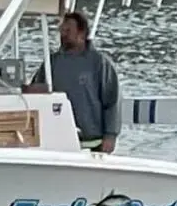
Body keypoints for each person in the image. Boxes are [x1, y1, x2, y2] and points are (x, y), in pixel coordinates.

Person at [24, 11, 121, 153]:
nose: (63, 34)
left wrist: (110, 135)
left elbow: (113, 101)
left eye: (68, 30)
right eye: (61, 30)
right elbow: (38, 92)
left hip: (94, 142)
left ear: (81, 33)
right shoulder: (52, 62)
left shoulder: (99, 63)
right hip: (59, 141)